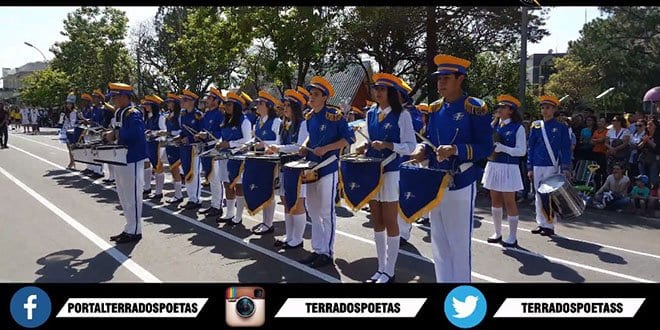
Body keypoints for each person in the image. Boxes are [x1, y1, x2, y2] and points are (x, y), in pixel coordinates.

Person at [406, 54, 492, 283]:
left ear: (460, 79)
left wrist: (455, 149)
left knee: (459, 244)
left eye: (446, 77)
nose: (441, 82)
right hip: (435, 181)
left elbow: (486, 147)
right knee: (439, 242)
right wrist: (420, 151)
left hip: (461, 180)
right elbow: (429, 140)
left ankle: (462, 293)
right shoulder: (434, 109)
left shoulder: (474, 108)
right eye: (439, 78)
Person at [354, 73, 416, 283]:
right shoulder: (371, 113)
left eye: (382, 89)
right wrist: (366, 145)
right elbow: (372, 139)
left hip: (391, 171)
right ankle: (380, 268)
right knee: (376, 221)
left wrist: (389, 145)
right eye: (376, 88)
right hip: (373, 170)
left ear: (391, 93)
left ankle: (390, 270)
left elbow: (411, 147)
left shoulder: (402, 115)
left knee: (390, 221)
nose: (378, 92)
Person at [297, 76, 355, 268]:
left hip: (328, 166)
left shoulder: (335, 115)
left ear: (324, 97)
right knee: (312, 210)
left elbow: (349, 139)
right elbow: (310, 139)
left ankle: (327, 252)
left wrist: (328, 148)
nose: (311, 97)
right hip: (311, 166)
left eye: (315, 94)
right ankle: (317, 249)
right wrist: (305, 146)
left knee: (326, 211)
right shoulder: (309, 116)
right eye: (310, 94)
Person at [103, 82, 148, 244]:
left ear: (124, 96)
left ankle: (135, 230)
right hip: (121, 157)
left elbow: (135, 134)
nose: (113, 100)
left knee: (133, 195)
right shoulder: (119, 113)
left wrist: (114, 134)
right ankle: (129, 227)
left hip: (132, 157)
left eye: (116, 96)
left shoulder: (133, 113)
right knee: (123, 195)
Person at [267, 88, 309, 249]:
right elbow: (280, 143)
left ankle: (297, 238)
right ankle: (289, 235)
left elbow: (299, 147)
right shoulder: (284, 124)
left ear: (295, 108)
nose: (284, 108)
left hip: (298, 168)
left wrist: (280, 148)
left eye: (287, 105)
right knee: (286, 201)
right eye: (283, 105)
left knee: (297, 202)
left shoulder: (303, 124)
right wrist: (273, 147)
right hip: (284, 166)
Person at [483, 95, 526, 248]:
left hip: (509, 167)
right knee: (495, 200)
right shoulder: (495, 125)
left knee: (509, 201)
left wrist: (504, 149)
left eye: (503, 107)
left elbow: (521, 151)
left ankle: (513, 236)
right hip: (494, 165)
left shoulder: (518, 127)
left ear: (510, 111)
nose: (499, 109)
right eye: (499, 107)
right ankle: (497, 232)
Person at [527, 95, 572, 237]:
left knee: (548, 195)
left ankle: (550, 224)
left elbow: (565, 148)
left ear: (554, 110)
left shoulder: (561, 127)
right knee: (538, 195)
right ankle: (541, 223)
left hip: (552, 164)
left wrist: (565, 167)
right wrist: (529, 166)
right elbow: (531, 147)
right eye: (543, 108)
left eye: (548, 108)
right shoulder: (536, 126)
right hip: (537, 164)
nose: (544, 110)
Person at [247, 90, 282, 235]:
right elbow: (254, 140)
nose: (257, 106)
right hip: (259, 160)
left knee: (269, 191)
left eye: (260, 103)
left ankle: (269, 223)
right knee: (262, 190)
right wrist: (247, 144)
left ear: (267, 106)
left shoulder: (276, 122)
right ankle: (265, 222)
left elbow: (279, 142)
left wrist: (264, 144)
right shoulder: (257, 121)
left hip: (271, 161)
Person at [216, 92, 253, 226]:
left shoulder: (245, 121)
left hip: (237, 158)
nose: (226, 107)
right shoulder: (225, 120)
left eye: (229, 104)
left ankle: (238, 216)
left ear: (236, 106)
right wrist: (220, 142)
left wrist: (230, 144)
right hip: (225, 156)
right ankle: (229, 213)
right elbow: (223, 136)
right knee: (227, 184)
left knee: (238, 186)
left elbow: (247, 141)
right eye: (225, 104)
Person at [195, 87, 225, 217]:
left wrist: (208, 135)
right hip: (207, 147)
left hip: (215, 148)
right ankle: (214, 204)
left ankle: (218, 206)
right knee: (211, 177)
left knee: (216, 178)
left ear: (216, 101)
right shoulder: (206, 114)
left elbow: (222, 133)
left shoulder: (220, 114)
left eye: (209, 98)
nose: (206, 100)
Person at [176, 89, 204, 210]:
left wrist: (190, 139)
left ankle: (196, 199)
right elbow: (183, 130)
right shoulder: (183, 114)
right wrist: (180, 137)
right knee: (186, 170)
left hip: (194, 148)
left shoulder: (198, 115)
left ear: (192, 102)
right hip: (184, 147)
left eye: (185, 100)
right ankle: (190, 197)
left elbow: (202, 133)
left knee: (194, 172)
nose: (182, 102)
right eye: (182, 100)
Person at [141, 95, 167, 200]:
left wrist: (153, 133)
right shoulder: (148, 117)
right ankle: (147, 187)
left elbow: (164, 131)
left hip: (156, 144)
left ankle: (159, 191)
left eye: (147, 104)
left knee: (158, 167)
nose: (145, 106)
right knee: (146, 164)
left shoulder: (160, 117)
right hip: (148, 143)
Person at [163, 93, 185, 204]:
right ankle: (178, 193)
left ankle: (179, 195)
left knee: (176, 169)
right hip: (169, 144)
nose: (168, 104)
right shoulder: (168, 115)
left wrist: (172, 133)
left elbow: (182, 130)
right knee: (173, 169)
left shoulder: (180, 115)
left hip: (177, 145)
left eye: (170, 102)